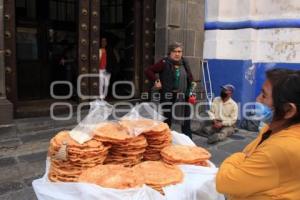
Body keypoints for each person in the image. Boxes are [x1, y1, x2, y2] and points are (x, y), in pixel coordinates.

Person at [216, 68, 300, 199]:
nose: (257, 99)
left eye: (264, 95)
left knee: (222, 133)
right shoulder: (269, 129)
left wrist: (240, 156)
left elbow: (225, 183)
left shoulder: (282, 148)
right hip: (216, 123)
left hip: (227, 125)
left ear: (288, 110)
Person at [144, 42, 196, 138]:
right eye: (174, 51)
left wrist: (191, 91)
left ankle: (189, 142)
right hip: (168, 97)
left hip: (183, 97)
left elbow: (190, 78)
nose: (177, 54)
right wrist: (156, 80)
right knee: (167, 121)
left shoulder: (184, 62)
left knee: (186, 121)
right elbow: (148, 71)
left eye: (179, 51)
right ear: (170, 52)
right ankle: (164, 141)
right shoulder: (164, 62)